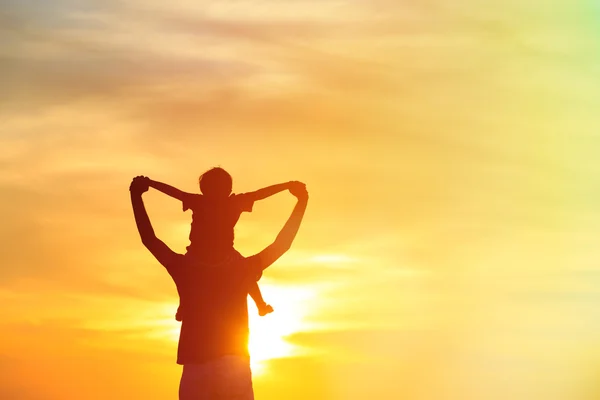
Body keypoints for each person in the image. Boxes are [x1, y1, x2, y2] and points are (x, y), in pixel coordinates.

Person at [130, 175, 308, 400]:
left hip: (196, 366)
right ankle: (183, 305)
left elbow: (149, 239)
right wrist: (301, 202)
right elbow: (282, 244)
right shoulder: (240, 267)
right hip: (234, 365)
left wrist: (136, 196)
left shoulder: (185, 267)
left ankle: (183, 305)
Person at [146, 168, 296, 318]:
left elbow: (260, 194)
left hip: (224, 252)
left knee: (246, 272)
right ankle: (184, 304)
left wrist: (286, 186)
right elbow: (174, 193)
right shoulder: (201, 201)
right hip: (199, 252)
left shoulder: (230, 202)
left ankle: (260, 304)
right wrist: (151, 183)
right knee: (185, 275)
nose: (216, 193)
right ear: (204, 189)